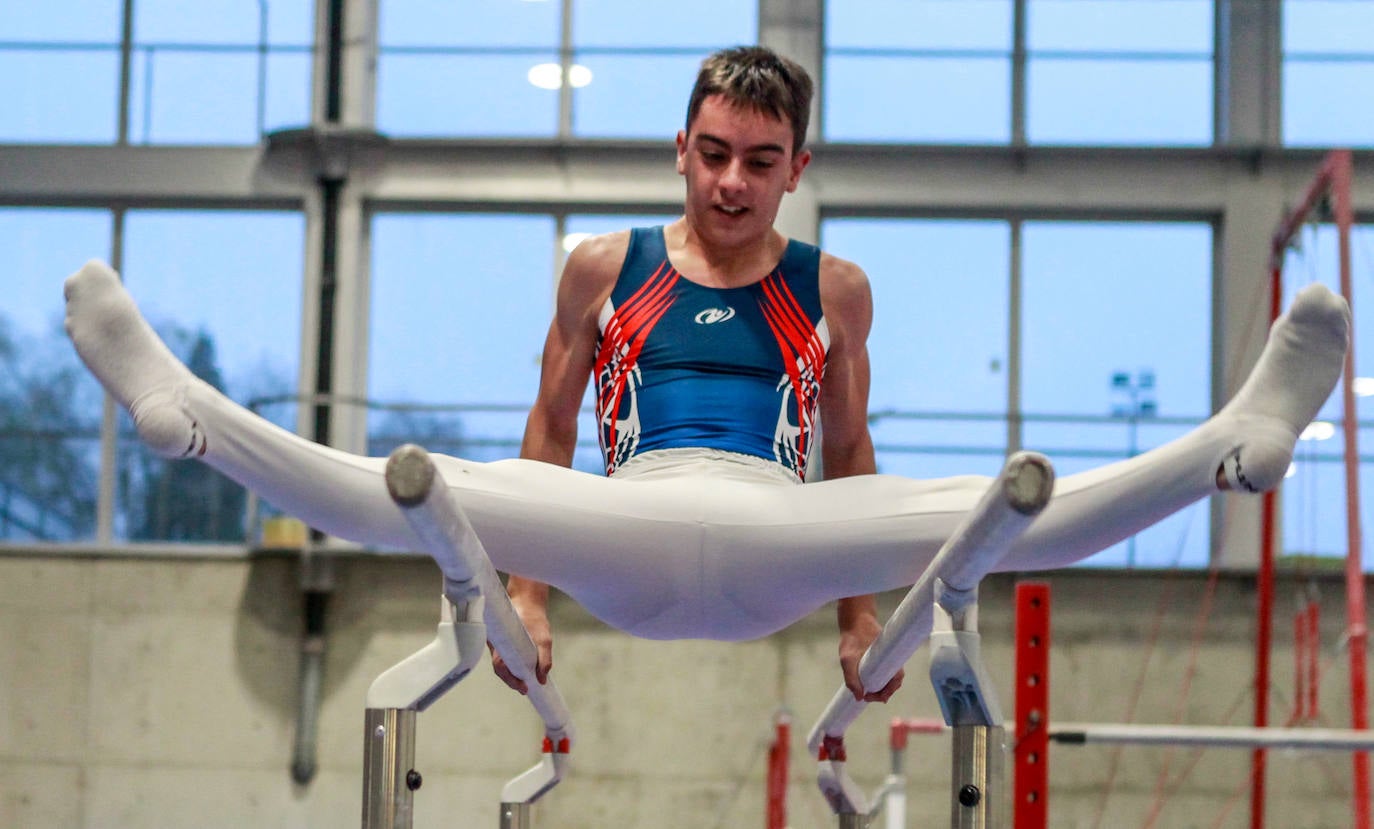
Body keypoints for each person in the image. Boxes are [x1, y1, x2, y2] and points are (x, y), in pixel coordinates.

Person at [62, 46, 1349, 709]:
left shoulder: (836, 288)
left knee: (994, 509)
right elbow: (551, 429)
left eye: (761, 160)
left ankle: (1228, 450)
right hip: (624, 530)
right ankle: (193, 423)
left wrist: (861, 620)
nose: (733, 182)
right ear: (680, 148)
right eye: (715, 153)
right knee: (423, 486)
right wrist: (525, 595)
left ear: (797, 168)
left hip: (778, 539)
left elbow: (850, 459)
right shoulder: (599, 266)